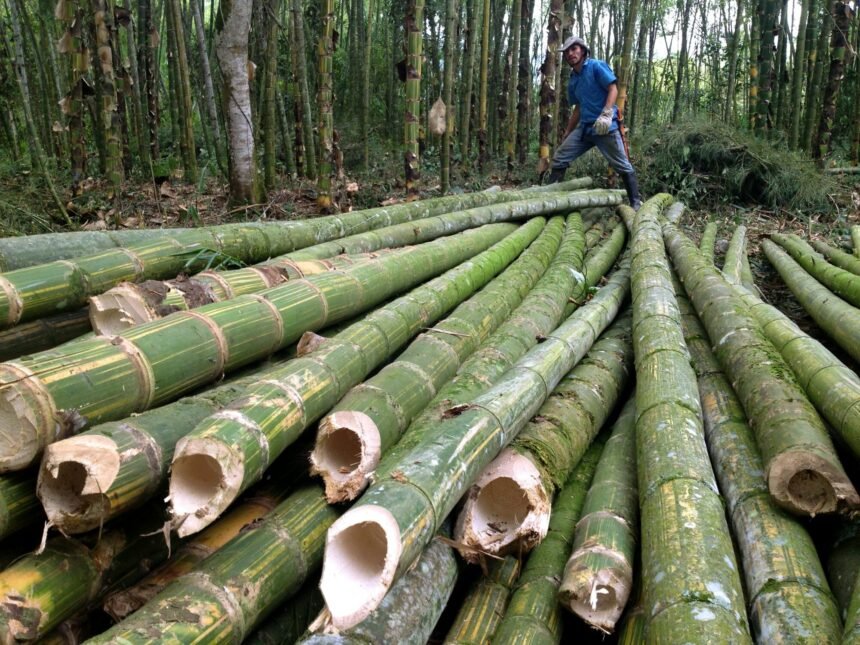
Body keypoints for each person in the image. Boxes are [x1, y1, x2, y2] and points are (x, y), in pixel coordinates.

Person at [548, 36, 642, 210]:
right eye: (567, 51)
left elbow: (613, 88)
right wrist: (568, 131)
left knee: (622, 164)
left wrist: (607, 113)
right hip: (586, 129)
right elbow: (578, 107)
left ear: (582, 50)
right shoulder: (573, 79)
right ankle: (549, 198)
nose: (570, 54)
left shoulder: (596, 66)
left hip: (605, 127)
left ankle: (636, 203)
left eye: (574, 49)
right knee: (560, 158)